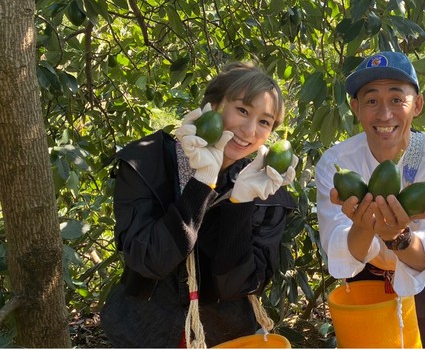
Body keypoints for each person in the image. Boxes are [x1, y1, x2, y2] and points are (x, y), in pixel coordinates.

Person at [100, 62, 297, 348]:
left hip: (225, 336)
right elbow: (150, 260)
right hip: (144, 331)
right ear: (213, 105)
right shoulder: (146, 162)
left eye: (264, 122)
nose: (250, 129)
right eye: (242, 110)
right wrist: (203, 181)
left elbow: (236, 287)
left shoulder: (268, 192)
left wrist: (241, 200)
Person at [315, 51, 425, 348]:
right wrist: (364, 227)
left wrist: (397, 236)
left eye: (397, 100)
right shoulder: (335, 164)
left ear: (418, 105)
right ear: (356, 108)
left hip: (424, 277)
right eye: (372, 100)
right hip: (364, 273)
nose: (385, 114)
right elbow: (338, 246)